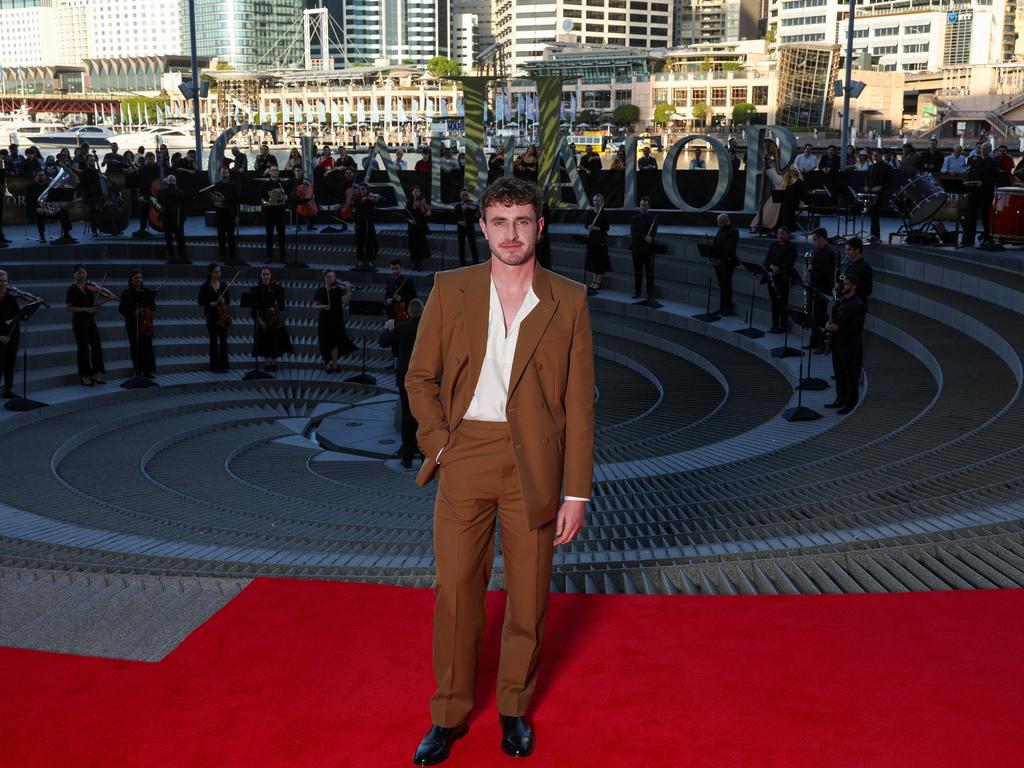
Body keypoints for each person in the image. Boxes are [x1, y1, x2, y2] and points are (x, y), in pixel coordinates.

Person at [406, 176, 594, 766]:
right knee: (457, 593)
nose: (510, 234)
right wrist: (440, 445)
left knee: (528, 597)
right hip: (466, 456)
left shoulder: (569, 298)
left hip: (534, 465)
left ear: (539, 227)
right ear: (481, 228)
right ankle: (449, 714)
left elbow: (581, 403)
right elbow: (419, 378)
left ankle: (514, 707)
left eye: (521, 221)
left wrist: (577, 492)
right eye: (498, 222)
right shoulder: (450, 288)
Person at [378, 298, 423, 468]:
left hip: (406, 375)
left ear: (410, 312)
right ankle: (425, 454)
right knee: (424, 414)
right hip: (425, 376)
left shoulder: (402, 327)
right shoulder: (430, 327)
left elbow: (383, 342)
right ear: (423, 310)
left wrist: (387, 328)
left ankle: (407, 456)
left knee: (407, 414)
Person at [825, 274, 866, 415]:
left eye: (847, 284)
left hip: (850, 347)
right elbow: (835, 318)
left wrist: (838, 329)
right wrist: (829, 324)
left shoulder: (858, 305)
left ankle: (850, 403)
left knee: (850, 377)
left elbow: (856, 328)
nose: (843, 287)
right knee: (839, 374)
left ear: (853, 286)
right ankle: (840, 399)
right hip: (838, 344)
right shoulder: (841, 301)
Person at [66, 265, 110, 386]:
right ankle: (85, 376)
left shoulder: (90, 288)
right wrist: (86, 309)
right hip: (79, 322)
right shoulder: (72, 289)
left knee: (96, 346)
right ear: (74, 274)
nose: (82, 275)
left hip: (91, 321)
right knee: (83, 349)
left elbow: (94, 307)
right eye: (79, 273)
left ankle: (95, 373)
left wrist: (106, 299)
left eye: (84, 273)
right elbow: (70, 308)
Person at [0, 270, 36, 398]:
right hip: (1, 335)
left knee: (11, 361)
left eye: (5, 280)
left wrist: (24, 299)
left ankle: (9, 389)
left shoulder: (10, 297)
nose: (3, 283)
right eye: (0, 281)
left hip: (13, 331)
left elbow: (18, 314)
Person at [251, 267, 292, 371]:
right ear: (260, 276)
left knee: (275, 340)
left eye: (267, 274)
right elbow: (254, 310)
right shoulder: (255, 289)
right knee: (264, 340)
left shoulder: (277, 288)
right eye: (263, 274)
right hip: (262, 318)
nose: (265, 276)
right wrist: (261, 322)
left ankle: (274, 362)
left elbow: (282, 306)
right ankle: (266, 362)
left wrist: (277, 304)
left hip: (274, 318)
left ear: (270, 275)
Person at [312, 270, 354, 373]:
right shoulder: (321, 290)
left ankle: (335, 364)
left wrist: (348, 291)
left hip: (337, 318)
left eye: (333, 277)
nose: (331, 279)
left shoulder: (338, 290)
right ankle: (327, 363)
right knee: (325, 342)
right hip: (325, 319)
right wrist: (324, 306)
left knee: (335, 342)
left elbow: (345, 301)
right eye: (329, 277)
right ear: (324, 278)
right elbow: (314, 305)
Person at [118, 271, 157, 378]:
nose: (138, 279)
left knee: (147, 346)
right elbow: (122, 309)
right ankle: (137, 369)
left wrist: (147, 309)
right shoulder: (126, 293)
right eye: (136, 278)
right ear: (131, 280)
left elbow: (153, 306)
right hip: (132, 323)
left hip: (146, 322)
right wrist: (133, 312)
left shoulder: (147, 292)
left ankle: (149, 370)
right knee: (135, 346)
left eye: (140, 277)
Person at [806, 227, 838, 353]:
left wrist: (811, 272)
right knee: (814, 316)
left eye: (815, 239)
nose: (814, 242)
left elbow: (826, 273)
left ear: (822, 238)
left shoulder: (830, 253)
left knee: (820, 316)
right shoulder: (816, 250)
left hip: (823, 288)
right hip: (814, 286)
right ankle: (814, 342)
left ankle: (821, 343)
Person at [962, 142, 1000, 247]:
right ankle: (970, 236)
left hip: (985, 193)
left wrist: (983, 183)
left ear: (990, 150)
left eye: (985, 149)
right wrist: (967, 187)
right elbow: (970, 175)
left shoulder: (994, 163)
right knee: (971, 215)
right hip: (973, 192)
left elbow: (994, 178)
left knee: (985, 215)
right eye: (981, 148)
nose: (982, 150)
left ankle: (987, 236)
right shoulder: (975, 161)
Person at [26, 169, 75, 244]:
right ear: (35, 176)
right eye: (40, 175)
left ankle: (66, 234)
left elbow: (54, 199)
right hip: (37, 210)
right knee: (39, 214)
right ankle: (42, 235)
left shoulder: (48, 186)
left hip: (49, 210)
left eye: (43, 175)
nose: (42, 177)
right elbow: (28, 201)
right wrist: (37, 208)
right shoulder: (30, 187)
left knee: (64, 213)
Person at [197, 263, 231, 372]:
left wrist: (224, 301)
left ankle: (223, 365)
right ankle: (214, 366)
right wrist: (210, 304)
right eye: (216, 272)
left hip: (223, 316)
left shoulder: (224, 285)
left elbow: (228, 300)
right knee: (213, 341)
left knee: (223, 341)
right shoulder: (204, 286)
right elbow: (200, 301)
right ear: (210, 273)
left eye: (219, 271)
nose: (218, 274)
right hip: (211, 316)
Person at [763, 226, 797, 332]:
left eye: (782, 233)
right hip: (772, 277)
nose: (779, 236)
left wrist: (779, 268)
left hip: (783, 278)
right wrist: (771, 267)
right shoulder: (774, 245)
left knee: (782, 302)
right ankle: (775, 324)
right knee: (774, 302)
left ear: (787, 234)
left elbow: (790, 262)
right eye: (778, 234)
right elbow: (766, 260)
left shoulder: (792, 246)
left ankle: (783, 325)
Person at [630, 196, 659, 299]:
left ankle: (649, 293)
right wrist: (644, 237)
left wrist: (648, 238)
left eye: (645, 205)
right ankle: (637, 292)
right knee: (637, 272)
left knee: (649, 273)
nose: (643, 207)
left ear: (648, 206)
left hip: (648, 250)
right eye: (641, 205)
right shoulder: (634, 218)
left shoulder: (653, 219)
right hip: (636, 249)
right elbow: (633, 233)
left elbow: (653, 234)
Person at [156, 174, 189, 263]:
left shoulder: (180, 192)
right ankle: (171, 257)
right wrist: (160, 209)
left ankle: (182, 257)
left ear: (176, 182)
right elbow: (155, 202)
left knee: (180, 239)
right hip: (166, 218)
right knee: (168, 239)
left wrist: (183, 218)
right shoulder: (161, 192)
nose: (171, 182)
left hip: (178, 219)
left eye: (173, 180)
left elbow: (185, 206)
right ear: (167, 181)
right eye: (170, 180)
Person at [211, 166, 241, 265]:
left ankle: (232, 256)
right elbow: (211, 200)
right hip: (220, 215)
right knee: (221, 237)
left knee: (231, 237)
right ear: (219, 174)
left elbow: (238, 202)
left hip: (231, 215)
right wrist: (214, 204)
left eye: (227, 173)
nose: (225, 175)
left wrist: (237, 216)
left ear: (229, 174)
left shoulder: (234, 186)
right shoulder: (215, 186)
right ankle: (222, 255)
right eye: (223, 173)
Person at [261, 165, 291, 262]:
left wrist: (286, 197)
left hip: (280, 212)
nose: (274, 172)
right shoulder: (265, 185)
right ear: (269, 172)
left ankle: (283, 257)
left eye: (276, 170)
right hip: (269, 212)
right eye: (273, 170)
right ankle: (269, 256)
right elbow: (262, 199)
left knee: (282, 236)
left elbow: (287, 197)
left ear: (278, 172)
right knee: (269, 236)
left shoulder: (283, 184)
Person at [711, 213, 739, 315]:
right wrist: (713, 255)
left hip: (728, 262)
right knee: (721, 285)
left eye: (721, 223)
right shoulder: (720, 230)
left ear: (726, 221)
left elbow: (729, 249)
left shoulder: (733, 231)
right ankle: (721, 307)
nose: (719, 225)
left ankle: (727, 308)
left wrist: (719, 257)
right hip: (718, 262)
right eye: (718, 223)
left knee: (726, 285)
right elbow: (716, 243)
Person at [864, 150, 892, 243]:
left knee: (875, 215)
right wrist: (867, 186)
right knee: (872, 215)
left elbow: (890, 182)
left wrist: (880, 187)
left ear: (881, 155)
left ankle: (876, 236)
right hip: (871, 194)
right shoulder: (871, 166)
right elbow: (868, 179)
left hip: (881, 194)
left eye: (876, 155)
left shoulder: (887, 167)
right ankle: (873, 236)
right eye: (873, 155)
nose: (875, 157)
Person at [584, 193, 610, 295]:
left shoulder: (603, 213)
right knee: (594, 261)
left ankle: (598, 282)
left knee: (600, 261)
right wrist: (588, 226)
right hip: (591, 240)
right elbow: (586, 223)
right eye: (595, 200)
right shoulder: (590, 212)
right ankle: (594, 281)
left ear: (602, 202)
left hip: (600, 240)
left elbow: (607, 227)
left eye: (598, 201)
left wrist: (597, 228)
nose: (596, 202)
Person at [353, 182, 381, 270]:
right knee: (360, 243)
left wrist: (376, 198)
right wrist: (354, 222)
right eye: (361, 189)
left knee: (372, 243)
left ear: (367, 189)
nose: (363, 191)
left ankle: (371, 261)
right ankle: (360, 261)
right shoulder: (357, 199)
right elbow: (355, 212)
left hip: (369, 223)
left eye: (364, 189)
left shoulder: (370, 198)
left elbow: (377, 199)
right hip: (359, 223)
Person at [841, 238, 873, 311]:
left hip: (858, 306)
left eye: (849, 250)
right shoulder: (850, 264)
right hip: (848, 303)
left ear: (857, 250)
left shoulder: (865, 267)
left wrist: (850, 289)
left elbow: (868, 290)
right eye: (846, 250)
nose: (847, 252)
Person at [406, 186, 432, 270]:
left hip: (420, 227)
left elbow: (426, 216)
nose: (417, 193)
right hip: (412, 227)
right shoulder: (409, 203)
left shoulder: (423, 202)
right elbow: (405, 215)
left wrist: (427, 213)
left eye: (418, 192)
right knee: (412, 245)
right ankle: (414, 263)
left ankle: (420, 264)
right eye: (415, 191)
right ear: (412, 192)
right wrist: (410, 220)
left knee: (420, 246)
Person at [455, 188, 480, 266]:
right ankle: (462, 265)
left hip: (470, 226)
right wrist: (460, 222)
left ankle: (476, 264)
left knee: (473, 245)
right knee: (461, 246)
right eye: (463, 195)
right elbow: (455, 217)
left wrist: (478, 209)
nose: (465, 197)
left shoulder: (472, 205)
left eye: (466, 195)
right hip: (460, 228)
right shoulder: (457, 206)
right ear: (460, 196)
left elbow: (476, 216)